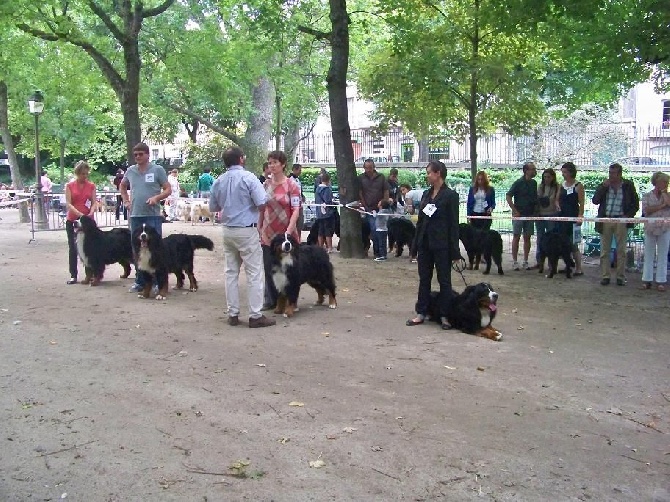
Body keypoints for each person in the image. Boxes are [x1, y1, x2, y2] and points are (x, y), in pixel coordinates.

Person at [208, 147, 275, 328]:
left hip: (228, 229)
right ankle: (255, 314)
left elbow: (213, 207)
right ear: (241, 159)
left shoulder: (219, 181)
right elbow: (262, 203)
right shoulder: (249, 178)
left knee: (231, 272)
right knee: (254, 272)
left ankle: (233, 313)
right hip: (246, 229)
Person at [406, 161, 460, 329]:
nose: (427, 175)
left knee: (444, 281)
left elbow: (453, 225)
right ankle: (421, 311)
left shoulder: (450, 196)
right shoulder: (425, 195)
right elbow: (421, 222)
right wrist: (414, 246)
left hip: (442, 245)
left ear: (438, 173)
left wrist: (455, 252)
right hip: (425, 244)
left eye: (429, 172)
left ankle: (445, 315)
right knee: (424, 279)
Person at [119, 142, 171, 293]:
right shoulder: (131, 171)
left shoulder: (157, 169)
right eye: (135, 155)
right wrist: (126, 200)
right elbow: (122, 186)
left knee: (155, 249)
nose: (138, 157)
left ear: (148, 154)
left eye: (141, 154)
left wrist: (157, 198)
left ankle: (157, 282)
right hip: (135, 214)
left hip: (152, 215)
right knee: (137, 250)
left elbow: (168, 189)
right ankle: (140, 281)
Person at [259, 150, 302, 310]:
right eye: (270, 163)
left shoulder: (292, 185)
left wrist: (290, 230)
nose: (272, 166)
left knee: (290, 267)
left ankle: (290, 300)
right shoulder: (266, 184)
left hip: (286, 232)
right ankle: (271, 299)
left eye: (275, 162)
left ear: (283, 164)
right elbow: (262, 207)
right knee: (269, 265)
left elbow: (296, 208)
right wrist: (259, 225)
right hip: (268, 231)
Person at [592, 163, 640, 286]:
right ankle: (605, 276)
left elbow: (635, 204)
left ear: (620, 174)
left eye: (613, 173)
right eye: (609, 172)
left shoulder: (628, 185)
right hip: (606, 219)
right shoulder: (604, 185)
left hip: (621, 220)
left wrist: (627, 216)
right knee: (604, 250)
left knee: (621, 250)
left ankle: (620, 277)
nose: (610, 175)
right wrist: (603, 187)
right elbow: (595, 200)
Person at [64, 161, 97, 285]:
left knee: (89, 248)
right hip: (73, 219)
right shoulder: (70, 186)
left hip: (88, 221)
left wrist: (91, 211)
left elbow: (94, 202)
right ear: (77, 173)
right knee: (73, 247)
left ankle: (91, 274)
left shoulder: (91, 186)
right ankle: (73, 275)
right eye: (82, 174)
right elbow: (68, 203)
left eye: (86, 174)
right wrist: (79, 214)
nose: (85, 176)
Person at [639, 171, 670, 292]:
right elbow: (647, 210)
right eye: (664, 182)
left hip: (665, 228)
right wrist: (661, 206)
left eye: (667, 182)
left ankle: (661, 281)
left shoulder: (668, 195)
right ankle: (647, 280)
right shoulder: (647, 196)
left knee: (663, 255)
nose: (666, 184)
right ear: (656, 183)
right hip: (650, 228)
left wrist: (664, 194)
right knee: (649, 254)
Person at [506, 162, 538, 270]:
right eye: (532, 169)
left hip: (529, 214)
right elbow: (508, 196)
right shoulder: (518, 183)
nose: (534, 171)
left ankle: (525, 260)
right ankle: (515, 261)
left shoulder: (534, 183)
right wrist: (514, 210)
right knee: (516, 236)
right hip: (519, 214)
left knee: (527, 237)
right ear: (526, 170)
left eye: (534, 169)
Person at [556, 162, 584, 275]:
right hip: (562, 217)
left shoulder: (578, 186)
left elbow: (581, 202)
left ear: (571, 172)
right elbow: (557, 199)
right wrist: (557, 204)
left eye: (565, 172)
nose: (563, 174)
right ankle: (568, 265)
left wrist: (580, 216)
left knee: (574, 244)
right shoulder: (561, 185)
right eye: (562, 172)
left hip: (573, 217)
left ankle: (578, 268)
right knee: (563, 243)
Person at [358, 159, 389, 258]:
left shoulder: (381, 177)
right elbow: (360, 192)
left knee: (380, 231)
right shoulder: (361, 178)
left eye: (370, 167)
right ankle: (377, 252)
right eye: (366, 168)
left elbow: (386, 190)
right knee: (372, 230)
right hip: (369, 208)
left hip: (380, 208)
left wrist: (384, 202)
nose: (368, 170)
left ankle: (380, 252)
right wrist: (364, 204)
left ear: (374, 167)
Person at [535, 168, 560, 268]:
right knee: (540, 239)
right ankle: (539, 262)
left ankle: (551, 264)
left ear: (553, 177)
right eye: (544, 177)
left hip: (552, 215)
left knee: (552, 241)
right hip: (540, 215)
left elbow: (555, 200)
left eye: (548, 177)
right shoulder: (540, 186)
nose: (546, 179)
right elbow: (538, 199)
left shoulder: (558, 187)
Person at [314, 171, 337, 253]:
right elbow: (328, 201)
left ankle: (320, 247)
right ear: (329, 180)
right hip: (326, 213)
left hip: (319, 213)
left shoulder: (317, 189)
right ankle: (329, 247)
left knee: (320, 230)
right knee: (328, 230)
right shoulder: (326, 189)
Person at [289, 163, 306, 232]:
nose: (300, 172)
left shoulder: (298, 180)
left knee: (300, 224)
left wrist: (302, 196)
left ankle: (298, 240)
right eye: (299, 170)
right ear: (294, 170)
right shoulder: (289, 179)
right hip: (292, 206)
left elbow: (300, 191)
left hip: (300, 205)